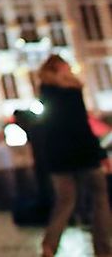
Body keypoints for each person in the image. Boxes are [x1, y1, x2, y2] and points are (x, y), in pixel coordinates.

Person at [37, 54, 111, 257]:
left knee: (64, 202)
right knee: (100, 199)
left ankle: (49, 245)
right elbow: (81, 125)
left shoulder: (45, 91)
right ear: (61, 67)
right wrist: (100, 153)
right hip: (83, 153)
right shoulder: (72, 90)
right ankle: (103, 249)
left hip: (58, 157)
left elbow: (48, 128)